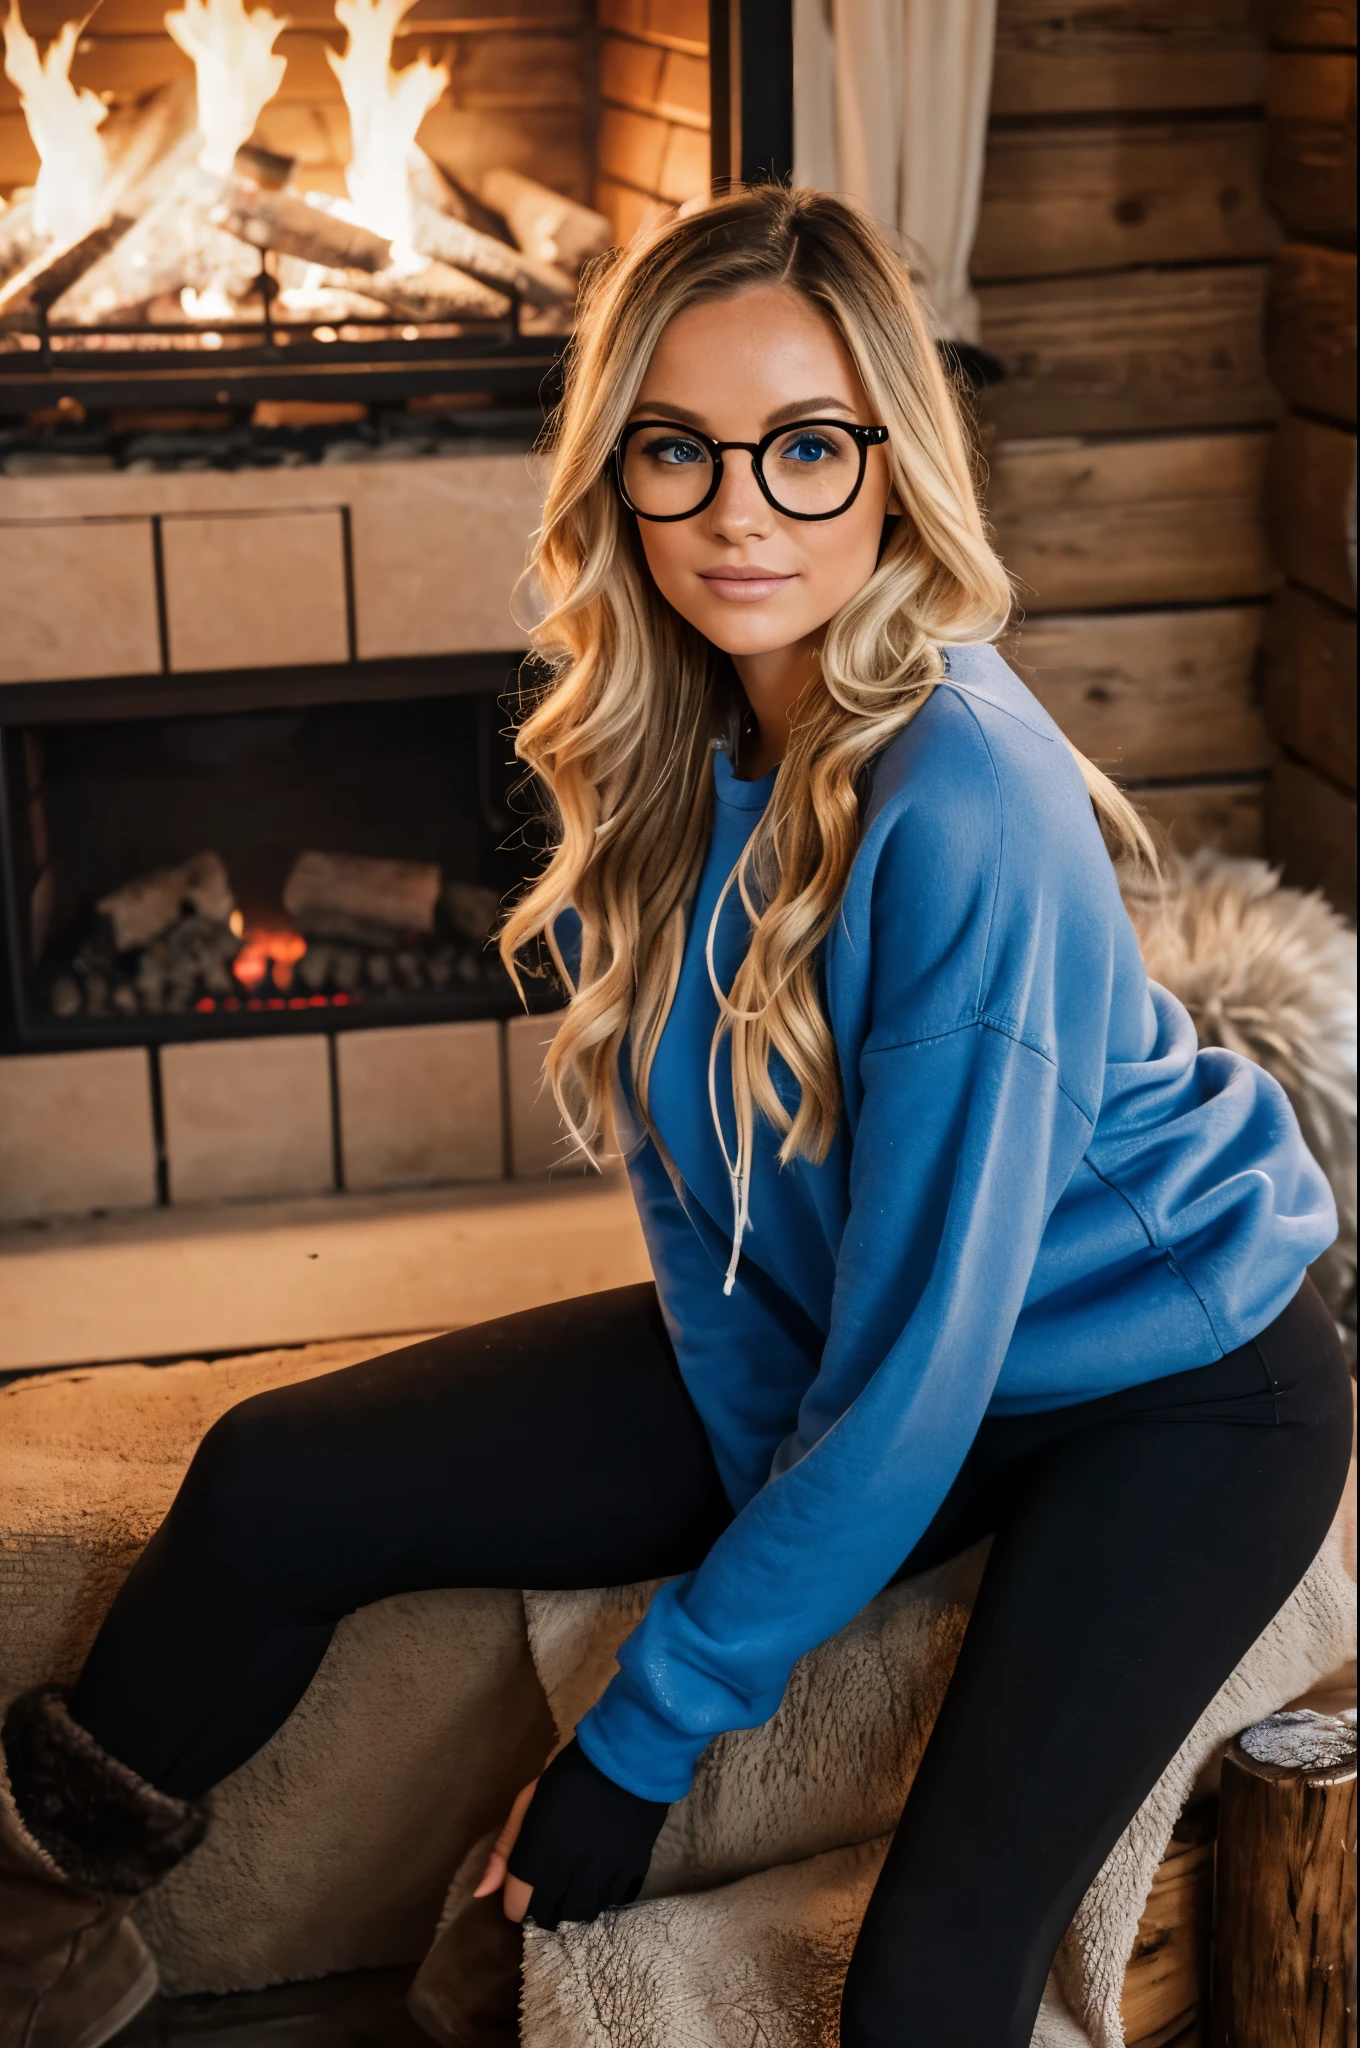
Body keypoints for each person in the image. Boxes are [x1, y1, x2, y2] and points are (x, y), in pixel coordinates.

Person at [1, 187, 1349, 2048]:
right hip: (859, 1329)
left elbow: (914, 1382)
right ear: (616, 477)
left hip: (1174, 1383)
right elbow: (724, 1238)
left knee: (927, 1988)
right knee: (271, 1481)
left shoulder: (962, 800)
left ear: (892, 467)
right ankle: (40, 1932)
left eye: (806, 450)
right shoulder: (686, 735)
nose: (739, 513)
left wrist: (639, 1743)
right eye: (679, 452)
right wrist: (734, 1480)